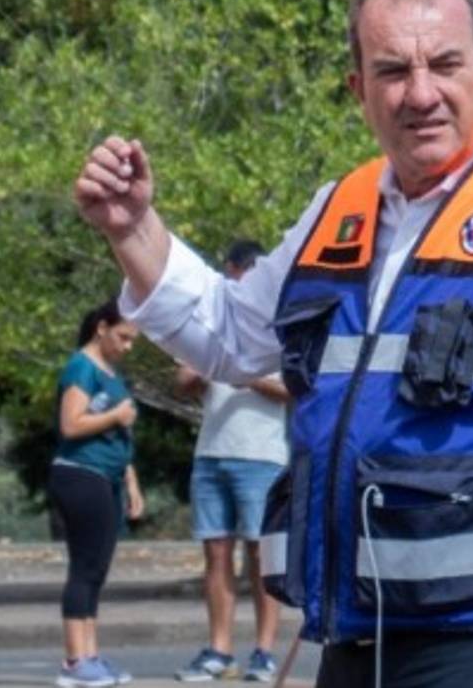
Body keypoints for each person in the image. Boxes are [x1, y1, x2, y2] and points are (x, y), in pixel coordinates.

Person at [72, 0, 473, 687]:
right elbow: (231, 338)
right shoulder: (340, 207)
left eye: (445, 64)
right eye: (393, 70)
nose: (420, 93)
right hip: (354, 639)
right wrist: (133, 230)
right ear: (358, 88)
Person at [173, 240, 290, 683]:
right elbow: (184, 377)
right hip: (212, 452)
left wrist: (245, 372)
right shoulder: (213, 322)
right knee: (216, 553)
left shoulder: (279, 326)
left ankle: (263, 651)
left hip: (261, 455)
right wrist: (212, 364)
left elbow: (294, 391)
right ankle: (218, 648)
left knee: (261, 556)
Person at [50, 299, 145, 688]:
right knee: (84, 566)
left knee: (98, 568)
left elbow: (118, 439)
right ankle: (74, 660)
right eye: (122, 337)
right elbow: (71, 425)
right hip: (79, 474)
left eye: (132, 341)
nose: (126, 347)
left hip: (107, 475)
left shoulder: (110, 372)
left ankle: (90, 654)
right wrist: (115, 415)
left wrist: (131, 482)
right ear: (102, 328)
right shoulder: (81, 367)